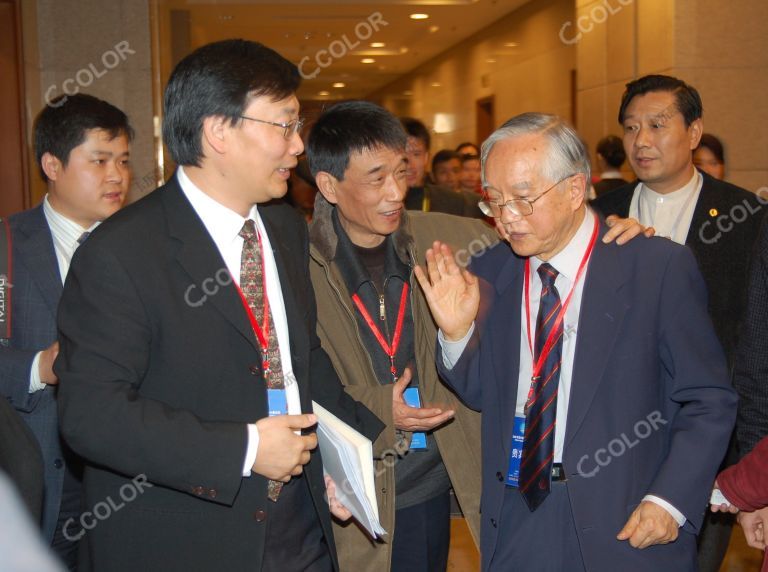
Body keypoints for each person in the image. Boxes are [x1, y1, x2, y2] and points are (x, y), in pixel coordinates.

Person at [55, 39, 382, 572]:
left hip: (301, 527)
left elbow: (301, 359)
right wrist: (246, 450)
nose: (298, 146)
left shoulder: (282, 229)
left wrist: (342, 465)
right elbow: (92, 416)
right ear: (218, 132)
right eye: (284, 125)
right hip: (189, 536)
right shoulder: (121, 253)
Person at [415, 112, 737, 572]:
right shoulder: (490, 272)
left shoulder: (653, 268)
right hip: (518, 512)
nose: (507, 219)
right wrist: (456, 332)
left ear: (573, 189)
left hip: (626, 515)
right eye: (495, 201)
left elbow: (709, 399)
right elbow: (484, 393)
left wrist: (670, 500)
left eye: (524, 200)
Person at [306, 101, 495, 571]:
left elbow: (543, 238)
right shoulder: (297, 267)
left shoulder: (446, 242)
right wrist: (376, 408)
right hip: (349, 496)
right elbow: (290, 383)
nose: (395, 193)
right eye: (375, 179)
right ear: (328, 185)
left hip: (425, 488)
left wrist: (614, 227)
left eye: (401, 172)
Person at [591, 75, 763, 572]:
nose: (641, 140)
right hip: (612, 445)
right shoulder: (596, 219)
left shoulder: (747, 218)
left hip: (710, 445)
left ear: (693, 132)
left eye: (657, 125)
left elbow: (755, 350)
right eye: (630, 127)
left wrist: (754, 473)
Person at [0, 93, 133, 569]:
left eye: (122, 160)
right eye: (99, 161)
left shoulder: (144, 247)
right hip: (36, 477)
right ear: (52, 164)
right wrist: (41, 366)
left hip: (126, 482)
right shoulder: (7, 245)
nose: (117, 175)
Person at [400, 117, 481, 218]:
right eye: (403, 155)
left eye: (416, 154)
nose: (409, 164)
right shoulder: (380, 202)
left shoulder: (454, 202)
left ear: (426, 157)